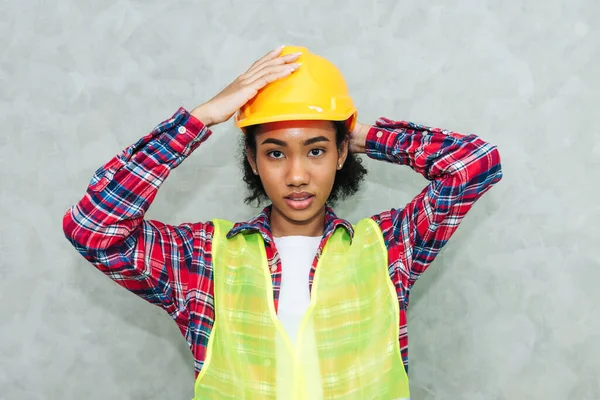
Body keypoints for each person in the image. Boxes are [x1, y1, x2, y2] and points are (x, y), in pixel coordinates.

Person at [63, 45, 503, 399]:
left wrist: (359, 133)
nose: (296, 175)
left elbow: (474, 165)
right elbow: (92, 228)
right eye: (276, 152)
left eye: (316, 150)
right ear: (252, 160)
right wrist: (202, 118)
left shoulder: (390, 248)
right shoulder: (201, 261)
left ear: (340, 154)